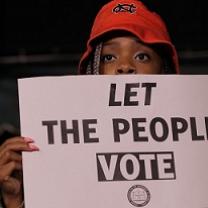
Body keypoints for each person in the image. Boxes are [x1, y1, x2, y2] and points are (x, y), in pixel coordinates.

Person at [0, 0, 180, 207]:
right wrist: (14, 202)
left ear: (164, 70)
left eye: (142, 55)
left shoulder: (196, 158)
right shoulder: (64, 161)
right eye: (109, 57)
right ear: (92, 71)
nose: (124, 66)